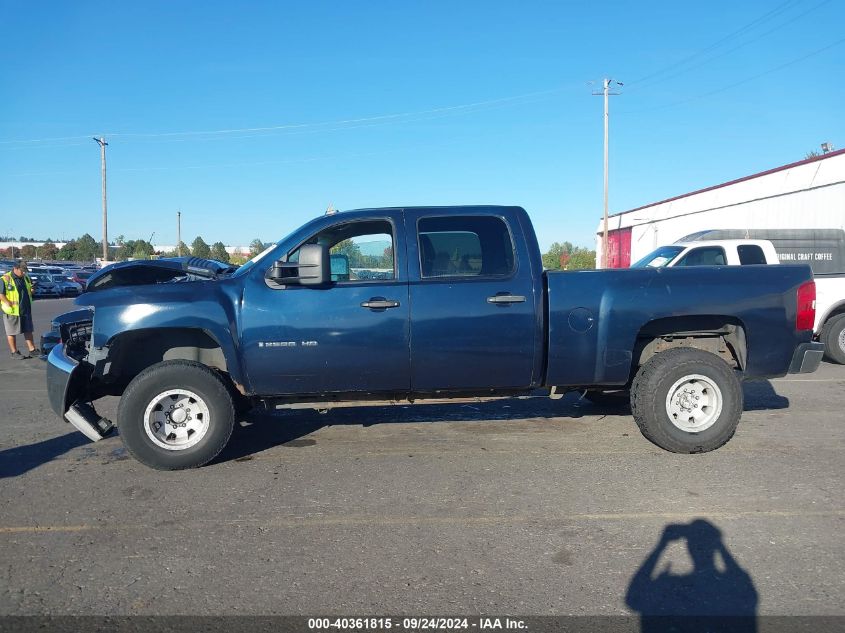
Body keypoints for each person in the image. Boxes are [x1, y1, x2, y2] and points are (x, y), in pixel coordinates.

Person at [2, 260, 37, 359]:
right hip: (12, 310)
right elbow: (1, 295)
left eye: (25, 270)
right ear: (15, 268)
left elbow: (29, 290)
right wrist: (8, 302)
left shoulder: (25, 277)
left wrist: (32, 290)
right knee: (12, 332)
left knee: (28, 330)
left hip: (25, 309)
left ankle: (32, 350)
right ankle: (14, 352)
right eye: (22, 270)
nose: (24, 272)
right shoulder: (5, 279)